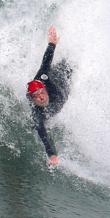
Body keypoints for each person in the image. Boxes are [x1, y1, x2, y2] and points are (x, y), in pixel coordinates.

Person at [26, 25, 71, 165]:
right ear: (33, 99)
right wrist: (51, 155)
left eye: (41, 93)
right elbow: (42, 133)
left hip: (60, 80)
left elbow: (46, 62)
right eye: (37, 96)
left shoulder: (43, 77)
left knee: (67, 65)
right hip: (58, 99)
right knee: (36, 124)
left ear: (43, 88)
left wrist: (52, 44)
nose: (41, 97)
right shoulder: (37, 112)